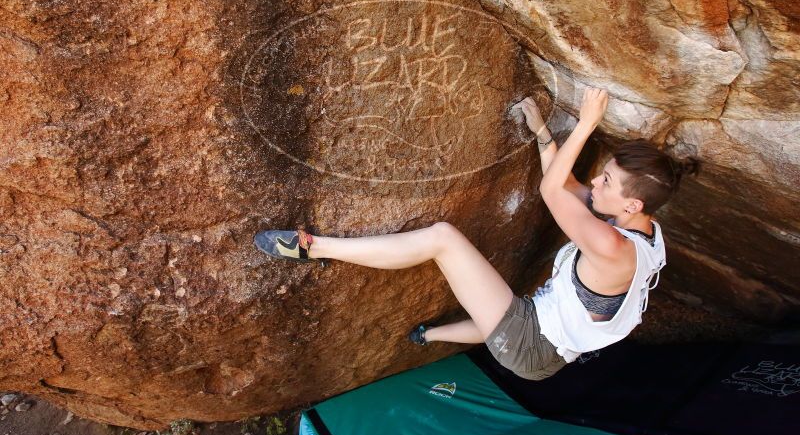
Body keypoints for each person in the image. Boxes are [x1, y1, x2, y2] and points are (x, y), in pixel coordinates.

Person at [254, 88, 698, 380]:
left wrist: (585, 124)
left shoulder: (611, 244)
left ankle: (314, 248)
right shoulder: (647, 231)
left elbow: (551, 191)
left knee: (444, 238)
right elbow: (570, 190)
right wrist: (543, 132)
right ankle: (427, 336)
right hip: (550, 347)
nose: (595, 184)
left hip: (531, 344)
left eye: (606, 182)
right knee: (503, 308)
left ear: (631, 204)